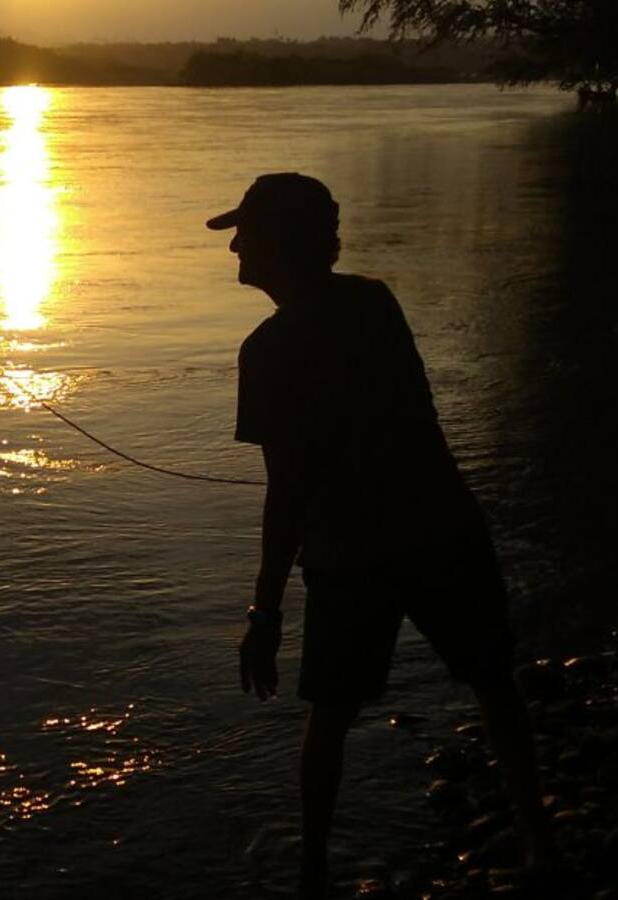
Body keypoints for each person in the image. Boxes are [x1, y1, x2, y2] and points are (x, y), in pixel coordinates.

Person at [207, 173, 551, 899]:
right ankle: (540, 846)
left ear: (281, 243)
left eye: (246, 232)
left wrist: (263, 615)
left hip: (352, 554)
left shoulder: (265, 351)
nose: (234, 245)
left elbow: (286, 494)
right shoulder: (374, 302)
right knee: (494, 684)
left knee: (330, 715)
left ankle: (312, 874)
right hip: (443, 525)